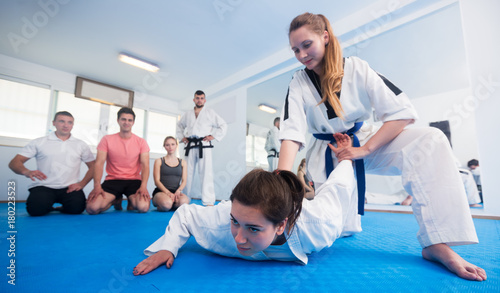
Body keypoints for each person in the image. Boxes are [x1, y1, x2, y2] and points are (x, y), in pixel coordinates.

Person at [277, 12, 486, 281]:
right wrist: (281, 180)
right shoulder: (299, 81)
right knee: (334, 229)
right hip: (326, 154)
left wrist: (364, 149)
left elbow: (402, 112)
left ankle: (437, 243)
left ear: (325, 37)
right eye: (295, 49)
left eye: (307, 45)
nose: (302, 54)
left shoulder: (357, 68)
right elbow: (292, 131)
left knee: (431, 140)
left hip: (365, 141)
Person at [133, 133, 356, 275]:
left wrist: (345, 160)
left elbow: (338, 189)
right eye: (235, 221)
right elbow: (187, 214)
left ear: (280, 225)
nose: (238, 238)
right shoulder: (220, 224)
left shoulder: (320, 225)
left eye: (253, 228)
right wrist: (167, 247)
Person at [8, 111, 95, 216]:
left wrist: (82, 184)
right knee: (35, 211)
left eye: (69, 122)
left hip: (69, 187)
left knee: (76, 209)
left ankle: (62, 207)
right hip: (44, 186)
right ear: (54, 123)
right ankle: (47, 205)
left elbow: (94, 166)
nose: (66, 125)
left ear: (73, 125)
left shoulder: (81, 145)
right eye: (61, 121)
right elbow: (14, 163)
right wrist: (26, 171)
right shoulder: (39, 142)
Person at [86, 107, 151, 214]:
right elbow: (99, 163)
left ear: (133, 122)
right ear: (118, 120)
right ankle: (115, 200)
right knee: (92, 208)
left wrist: (143, 186)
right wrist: (97, 186)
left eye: (129, 120)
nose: (126, 122)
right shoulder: (106, 139)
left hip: (133, 181)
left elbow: (145, 165)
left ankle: (131, 201)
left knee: (143, 207)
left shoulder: (141, 142)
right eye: (123, 119)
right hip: (113, 180)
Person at [177, 90, 227, 206]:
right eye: (197, 98)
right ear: (194, 100)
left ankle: (208, 200)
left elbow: (223, 125)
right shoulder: (188, 114)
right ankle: (184, 198)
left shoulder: (210, 112)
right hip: (190, 145)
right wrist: (182, 137)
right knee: (186, 173)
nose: (199, 100)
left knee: (206, 173)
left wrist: (213, 136)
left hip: (203, 145)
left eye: (201, 98)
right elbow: (179, 126)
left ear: (205, 100)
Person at [152, 136, 190, 211]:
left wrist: (178, 191)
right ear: (164, 146)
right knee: (166, 204)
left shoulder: (183, 162)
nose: (170, 147)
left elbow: (184, 181)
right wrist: (168, 193)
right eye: (167, 145)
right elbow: (157, 181)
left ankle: (172, 203)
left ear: (176, 145)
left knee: (184, 202)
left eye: (173, 144)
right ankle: (165, 204)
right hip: (161, 192)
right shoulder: (159, 161)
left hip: (176, 192)